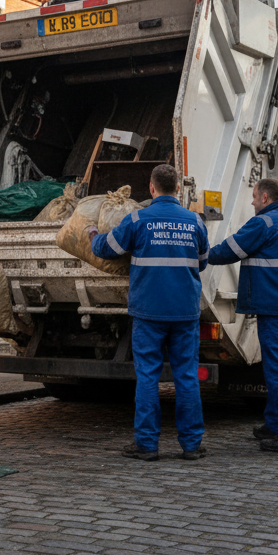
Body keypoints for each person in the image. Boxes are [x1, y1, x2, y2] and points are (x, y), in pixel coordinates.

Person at [90, 164, 209, 462]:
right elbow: (203, 261)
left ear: (152, 188)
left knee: (147, 377)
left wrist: (93, 234)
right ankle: (192, 445)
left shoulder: (138, 218)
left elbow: (107, 249)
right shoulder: (195, 221)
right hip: (184, 312)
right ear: (177, 189)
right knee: (186, 377)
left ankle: (147, 445)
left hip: (149, 312)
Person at [207, 178, 278, 454]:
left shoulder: (262, 224)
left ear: (265, 197)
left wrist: (202, 255)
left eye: (254, 197)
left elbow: (230, 249)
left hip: (273, 306)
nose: (252, 202)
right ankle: (275, 423)